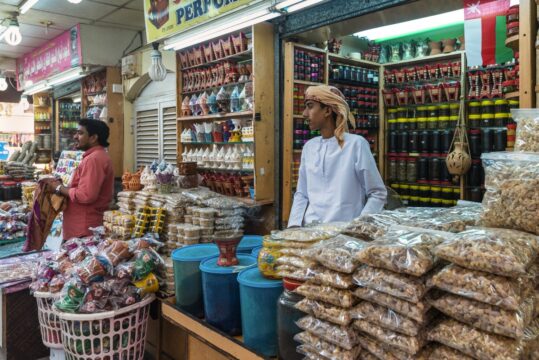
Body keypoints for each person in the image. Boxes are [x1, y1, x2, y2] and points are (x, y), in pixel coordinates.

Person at [288, 85, 387, 227]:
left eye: (310, 106)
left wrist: (358, 227)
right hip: (310, 231)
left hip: (345, 232)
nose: (304, 113)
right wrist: (294, 227)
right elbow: (302, 194)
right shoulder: (309, 147)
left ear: (328, 110)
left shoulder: (356, 145)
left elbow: (377, 193)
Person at [47, 119, 114, 240]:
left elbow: (85, 195)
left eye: (80, 133)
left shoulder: (93, 159)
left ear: (93, 138)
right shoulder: (96, 156)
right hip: (82, 226)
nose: (75, 136)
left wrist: (59, 188)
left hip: (83, 229)